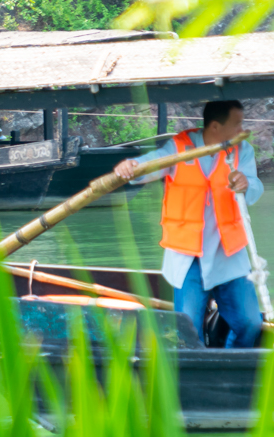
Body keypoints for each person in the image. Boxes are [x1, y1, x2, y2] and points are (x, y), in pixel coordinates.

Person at [113, 99, 264, 348]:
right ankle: (198, 370)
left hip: (229, 255)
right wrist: (131, 167)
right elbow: (150, 165)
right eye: (237, 124)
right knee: (187, 332)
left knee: (250, 324)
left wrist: (246, 184)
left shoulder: (242, 150)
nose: (241, 130)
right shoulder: (179, 147)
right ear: (215, 127)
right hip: (188, 256)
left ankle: (231, 361)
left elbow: (255, 187)